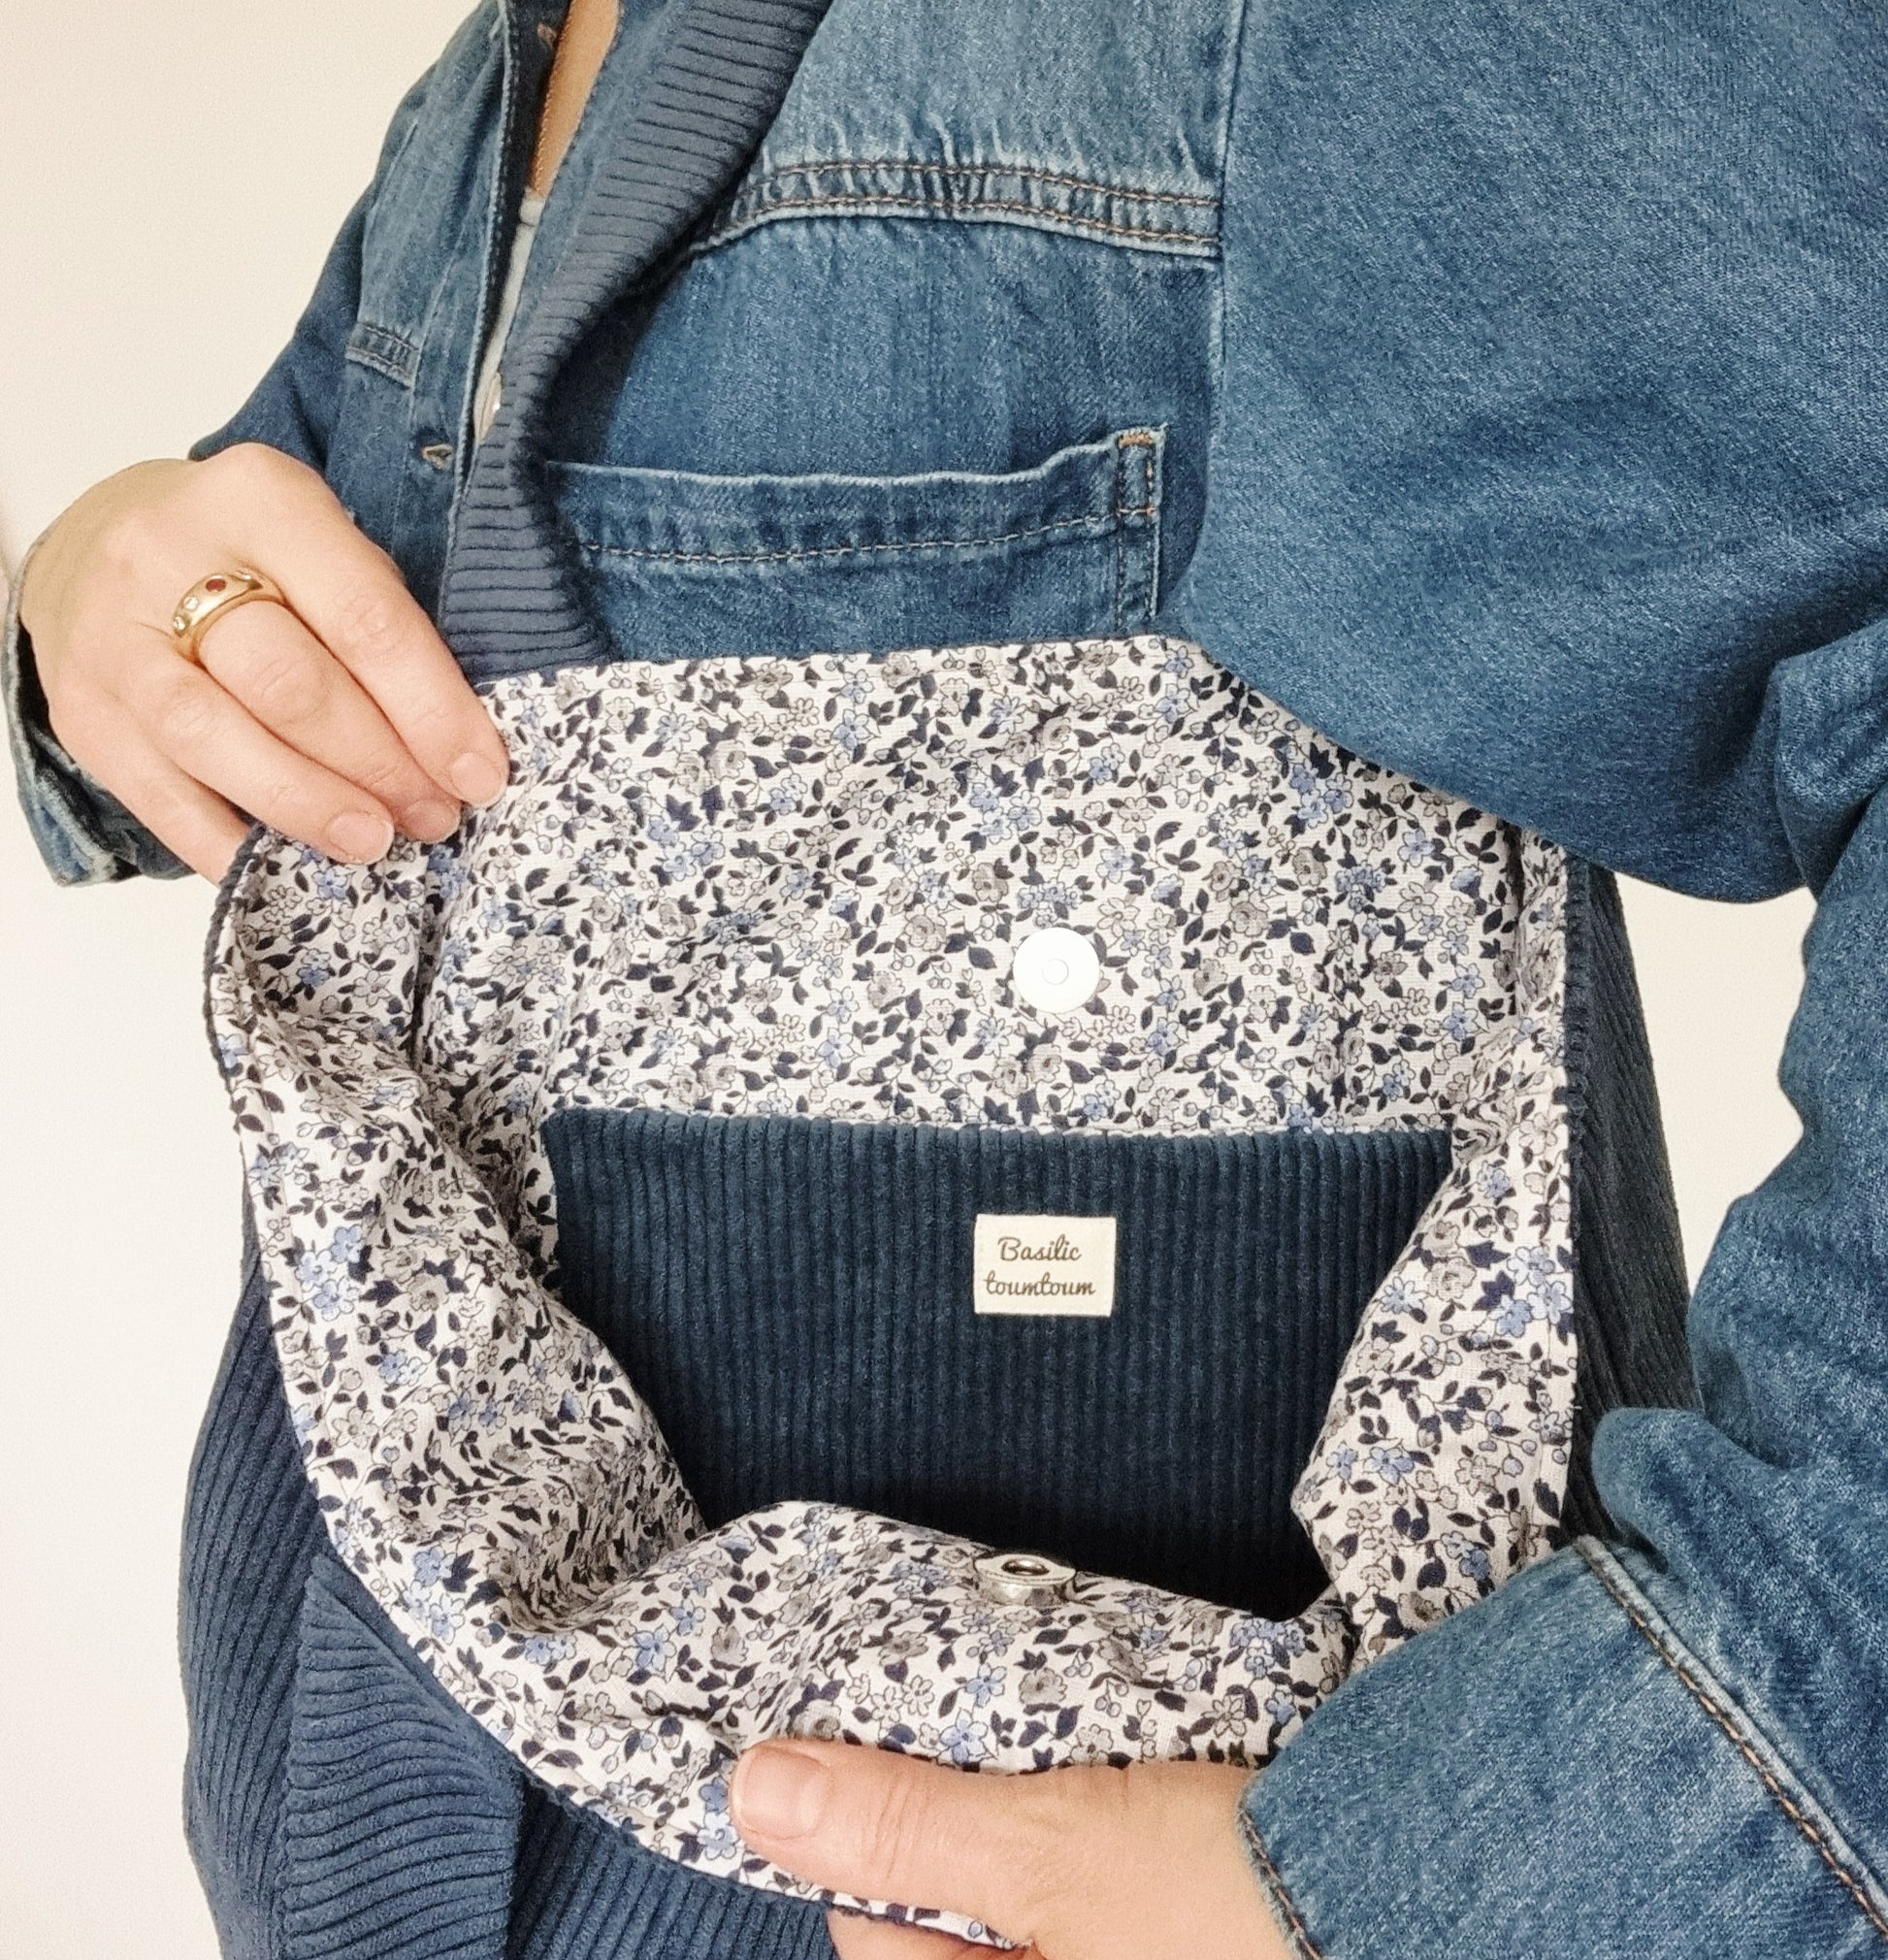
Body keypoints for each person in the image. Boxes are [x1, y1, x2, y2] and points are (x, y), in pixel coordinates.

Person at [10, 3, 1887, 1956]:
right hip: (349, 1799)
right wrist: (86, 586)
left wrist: (1575, 1826)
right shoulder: (498, 69)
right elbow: (278, 645)